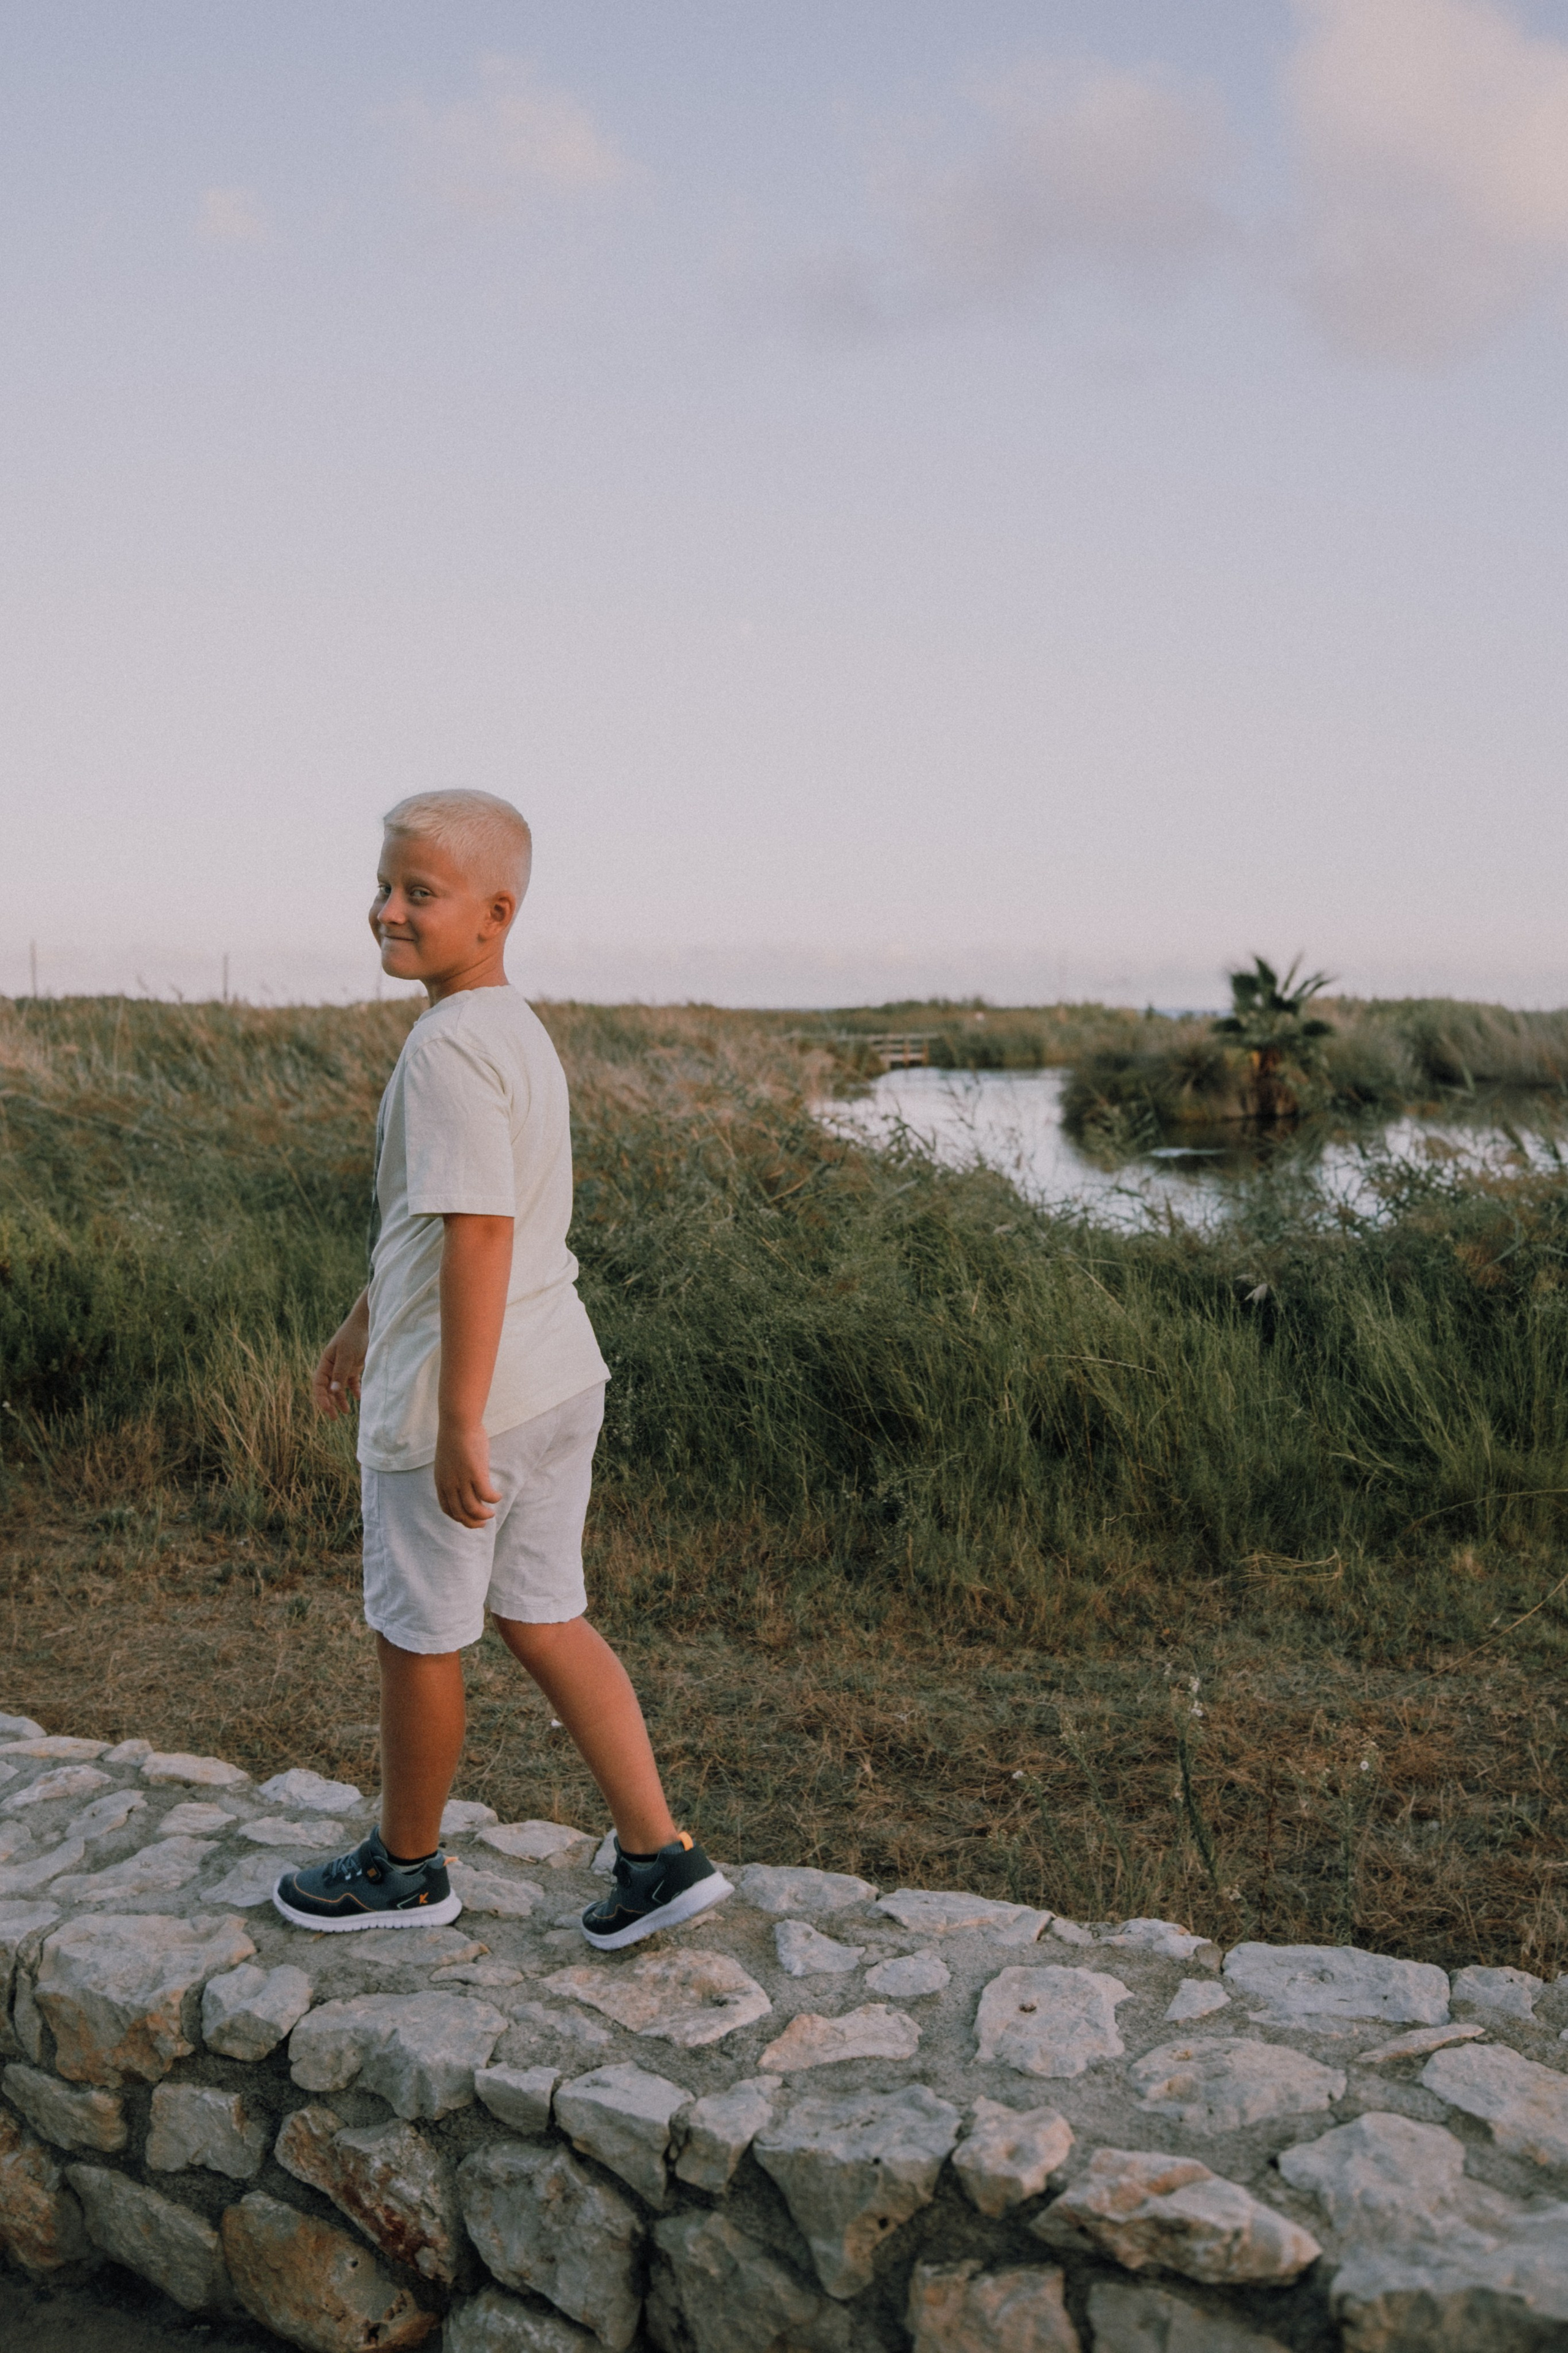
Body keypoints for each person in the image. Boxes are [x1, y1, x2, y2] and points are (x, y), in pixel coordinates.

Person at [272, 789, 729, 1949]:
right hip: (558, 1368)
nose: (387, 909)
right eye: (384, 885)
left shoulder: (445, 1049)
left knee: (420, 1630)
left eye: (419, 892)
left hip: (472, 1397)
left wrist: (457, 1419)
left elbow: (480, 1230)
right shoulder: (512, 1028)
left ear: (496, 911)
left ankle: (408, 1867)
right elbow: (445, 1225)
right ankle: (659, 1853)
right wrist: (361, 1318)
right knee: (546, 1612)